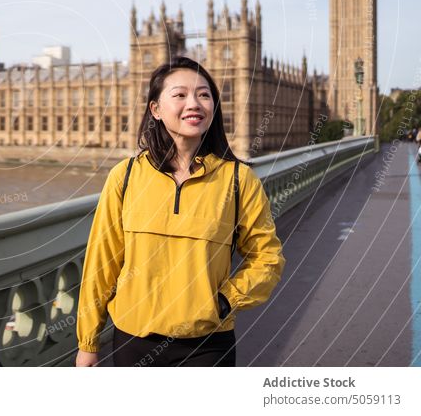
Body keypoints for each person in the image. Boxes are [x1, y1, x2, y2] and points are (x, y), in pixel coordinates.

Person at [75, 57, 284, 367]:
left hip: (208, 345)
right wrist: (88, 342)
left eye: (204, 94)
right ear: (155, 110)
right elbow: (101, 264)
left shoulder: (238, 180)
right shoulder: (126, 176)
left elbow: (268, 258)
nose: (194, 103)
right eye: (180, 94)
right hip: (134, 341)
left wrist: (226, 301)